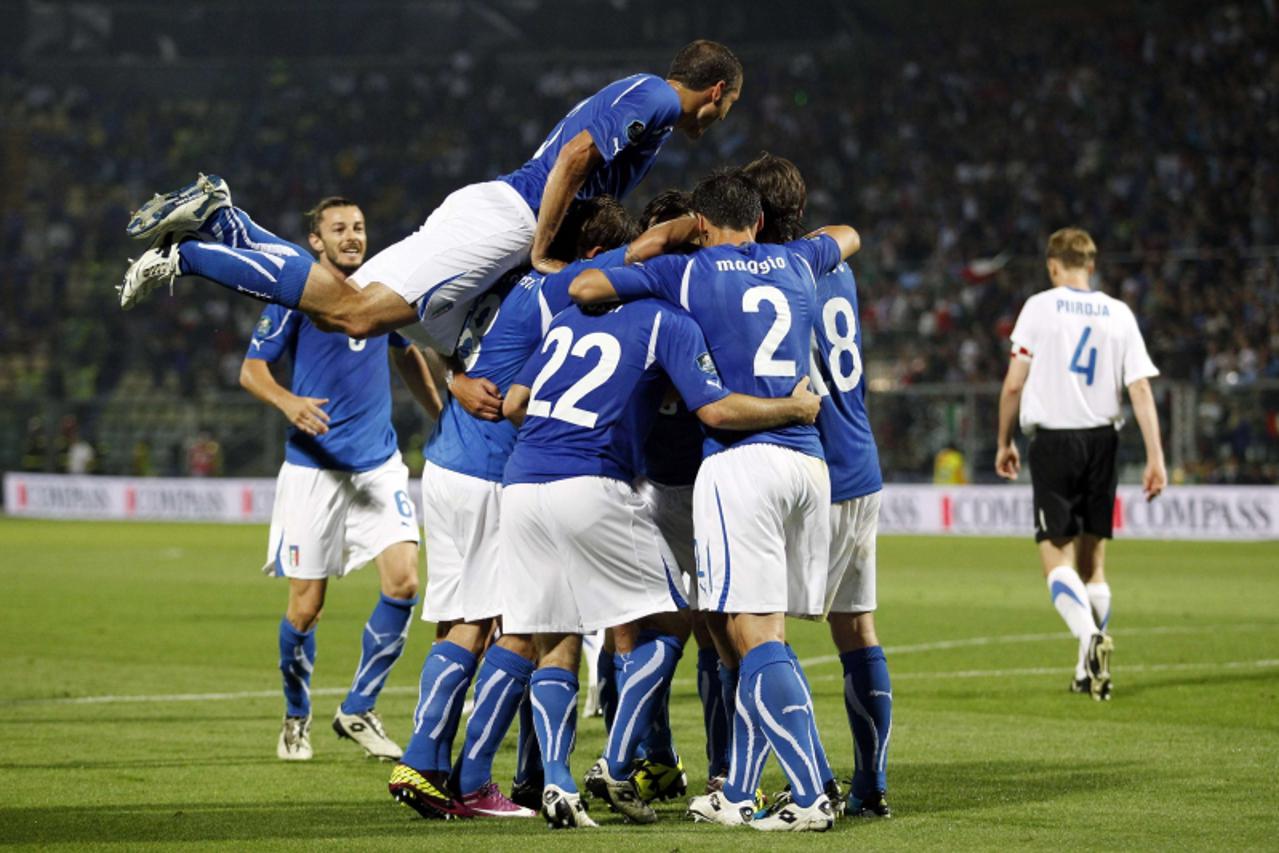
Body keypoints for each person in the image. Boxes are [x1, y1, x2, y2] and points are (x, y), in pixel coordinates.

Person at [117, 41, 742, 360]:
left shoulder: (642, 97)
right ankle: (196, 249)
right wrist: (544, 249)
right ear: (717, 90)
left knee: (340, 308)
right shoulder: (658, 100)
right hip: (511, 220)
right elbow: (576, 157)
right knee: (356, 314)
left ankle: (231, 222)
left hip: (495, 212)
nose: (722, 118)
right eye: (729, 106)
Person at [569, 171, 860, 832]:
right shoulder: (793, 257)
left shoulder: (689, 270)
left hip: (741, 464)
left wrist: (663, 238)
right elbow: (847, 235)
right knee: (750, 638)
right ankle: (738, 791)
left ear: (700, 224)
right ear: (758, 222)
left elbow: (586, 286)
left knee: (749, 638)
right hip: (807, 466)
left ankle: (811, 792)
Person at [499, 261, 822, 829]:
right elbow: (715, 409)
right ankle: (623, 761)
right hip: (597, 480)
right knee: (679, 617)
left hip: (523, 482)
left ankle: (558, 783)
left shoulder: (571, 318)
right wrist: (797, 408)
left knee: (556, 634)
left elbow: (513, 404)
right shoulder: (669, 320)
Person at [386, 197, 642, 820]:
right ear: (592, 254)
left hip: (446, 461)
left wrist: (452, 378)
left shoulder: (503, 277)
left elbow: (420, 327)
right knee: (516, 631)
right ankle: (448, 772)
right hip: (493, 471)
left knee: (459, 622)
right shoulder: (565, 289)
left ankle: (434, 767)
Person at [234, 196, 441, 759]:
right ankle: (295, 715)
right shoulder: (296, 294)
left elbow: (408, 353)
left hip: (378, 464)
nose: (353, 236)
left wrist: (440, 415)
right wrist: (288, 402)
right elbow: (251, 370)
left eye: (359, 227)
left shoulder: (382, 288)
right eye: (339, 229)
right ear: (316, 243)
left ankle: (358, 708)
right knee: (306, 607)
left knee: (404, 582)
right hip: (313, 474)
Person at [742, 152, 892, 819]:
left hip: (802, 462)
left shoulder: (766, 276)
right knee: (856, 628)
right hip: (859, 459)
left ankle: (792, 780)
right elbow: (848, 231)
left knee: (753, 630)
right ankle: (870, 783)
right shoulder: (837, 268)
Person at [994, 227, 1166, 701]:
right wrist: (1156, 457)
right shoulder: (1119, 313)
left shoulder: (1039, 306)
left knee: (1055, 555)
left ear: (1053, 266)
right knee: (1094, 564)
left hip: (1053, 441)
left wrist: (1003, 440)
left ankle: (1089, 638)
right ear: (1091, 265)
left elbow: (1013, 384)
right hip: (1103, 442)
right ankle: (1088, 672)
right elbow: (1141, 389)